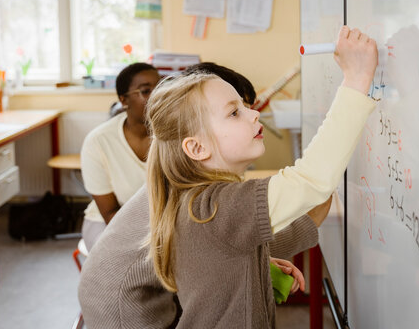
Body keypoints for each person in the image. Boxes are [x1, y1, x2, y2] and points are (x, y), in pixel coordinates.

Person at [146, 26, 378, 328]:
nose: (253, 114)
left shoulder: (200, 200)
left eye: (245, 107)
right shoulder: (217, 206)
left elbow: (216, 262)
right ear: (197, 147)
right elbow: (311, 179)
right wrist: (356, 80)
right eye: (234, 113)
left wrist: (256, 267)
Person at [78, 62, 333, 328]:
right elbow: (225, 240)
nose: (252, 116)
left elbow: (220, 245)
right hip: (121, 308)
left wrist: (262, 262)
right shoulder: (194, 189)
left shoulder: (193, 171)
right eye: (234, 112)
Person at [80, 62, 160, 251]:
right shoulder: (98, 141)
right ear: (123, 100)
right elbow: (109, 213)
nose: (157, 97)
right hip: (107, 222)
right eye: (146, 91)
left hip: (162, 222)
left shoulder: (174, 135)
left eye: (161, 88)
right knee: (121, 260)